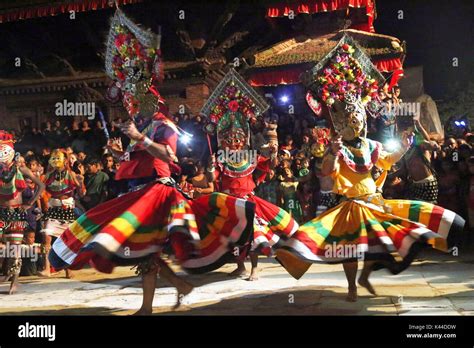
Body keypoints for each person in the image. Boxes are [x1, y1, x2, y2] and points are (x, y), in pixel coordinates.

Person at [49, 9, 254, 315]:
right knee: (144, 249)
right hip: (136, 191)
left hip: (157, 191)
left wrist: (140, 139)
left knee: (145, 248)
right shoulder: (140, 128)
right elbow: (135, 160)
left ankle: (148, 307)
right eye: (129, 100)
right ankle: (179, 289)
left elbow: (169, 156)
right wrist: (119, 152)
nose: (131, 105)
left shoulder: (162, 126)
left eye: (135, 99)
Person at [275, 43, 465, 302]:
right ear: (341, 124)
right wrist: (332, 151)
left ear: (363, 120)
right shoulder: (337, 148)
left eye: (357, 119)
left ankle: (368, 276)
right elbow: (327, 174)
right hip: (350, 206)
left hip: (374, 202)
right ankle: (353, 285)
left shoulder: (372, 146)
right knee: (350, 250)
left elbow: (387, 160)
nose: (355, 122)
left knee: (386, 241)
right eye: (349, 119)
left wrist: (406, 149)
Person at [203, 69, 299, 281]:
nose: (234, 141)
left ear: (244, 137)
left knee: (253, 235)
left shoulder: (251, 156)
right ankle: (240, 267)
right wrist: (210, 167)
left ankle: (255, 268)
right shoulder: (220, 157)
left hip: (247, 201)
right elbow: (211, 180)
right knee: (232, 237)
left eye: (238, 137)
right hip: (228, 202)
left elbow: (271, 167)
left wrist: (273, 152)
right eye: (229, 137)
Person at [0, 131, 45, 294]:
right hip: (1, 212)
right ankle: (6, 274)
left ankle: (14, 281)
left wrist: (30, 204)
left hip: (17, 213)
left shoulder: (22, 169)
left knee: (15, 250)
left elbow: (41, 186)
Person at [40, 149, 84, 278]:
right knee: (47, 237)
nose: (56, 161)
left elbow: (81, 193)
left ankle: (68, 269)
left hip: (67, 209)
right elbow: (41, 189)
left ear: (65, 161)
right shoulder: (48, 176)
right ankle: (46, 268)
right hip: (53, 209)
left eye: (58, 158)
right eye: (54, 158)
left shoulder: (71, 174)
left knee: (66, 240)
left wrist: (80, 182)